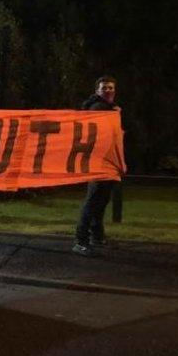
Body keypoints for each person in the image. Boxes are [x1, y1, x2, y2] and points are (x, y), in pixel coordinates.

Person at [73, 76, 122, 256]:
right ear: (97, 91)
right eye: (104, 88)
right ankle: (81, 240)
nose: (108, 90)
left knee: (101, 201)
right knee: (93, 201)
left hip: (104, 162)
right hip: (98, 162)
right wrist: (114, 114)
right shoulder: (98, 109)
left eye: (111, 87)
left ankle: (96, 236)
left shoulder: (107, 109)